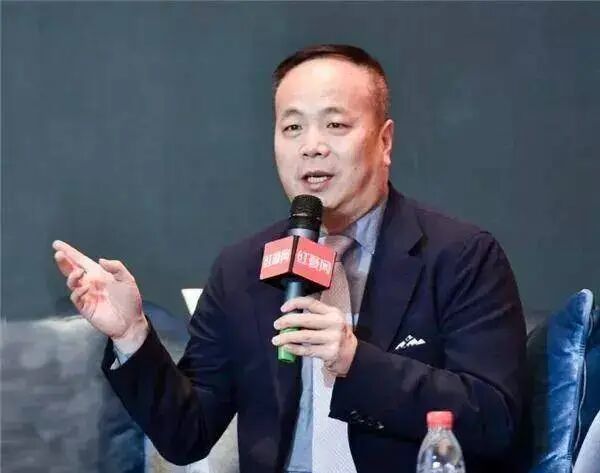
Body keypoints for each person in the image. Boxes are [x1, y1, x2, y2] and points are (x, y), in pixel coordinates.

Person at [52, 44, 527, 473]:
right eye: (292, 127)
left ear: (384, 142)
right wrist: (132, 335)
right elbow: (186, 436)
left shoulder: (460, 256)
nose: (311, 146)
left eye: (335, 125)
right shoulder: (242, 270)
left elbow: (495, 421)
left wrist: (354, 361)